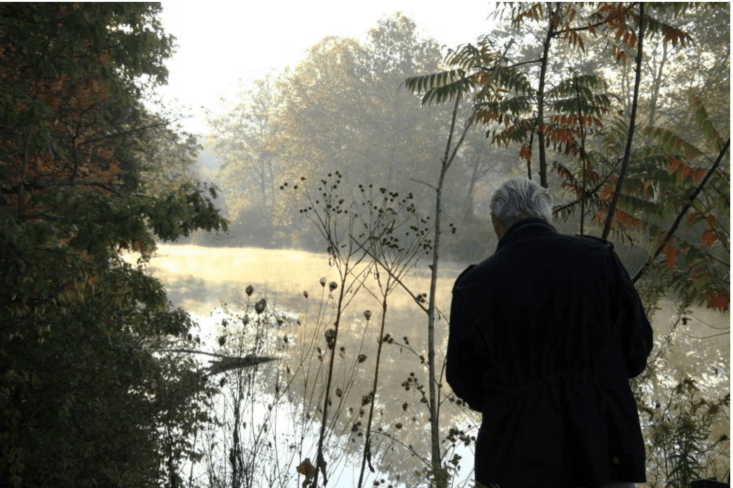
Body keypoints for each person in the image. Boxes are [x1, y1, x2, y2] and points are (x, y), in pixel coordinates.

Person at [446, 177, 653, 488]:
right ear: (546, 215)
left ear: (494, 222)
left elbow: (464, 380)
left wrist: (512, 402)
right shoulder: (599, 259)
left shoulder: (474, 286)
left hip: (516, 458)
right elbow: (636, 351)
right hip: (605, 448)